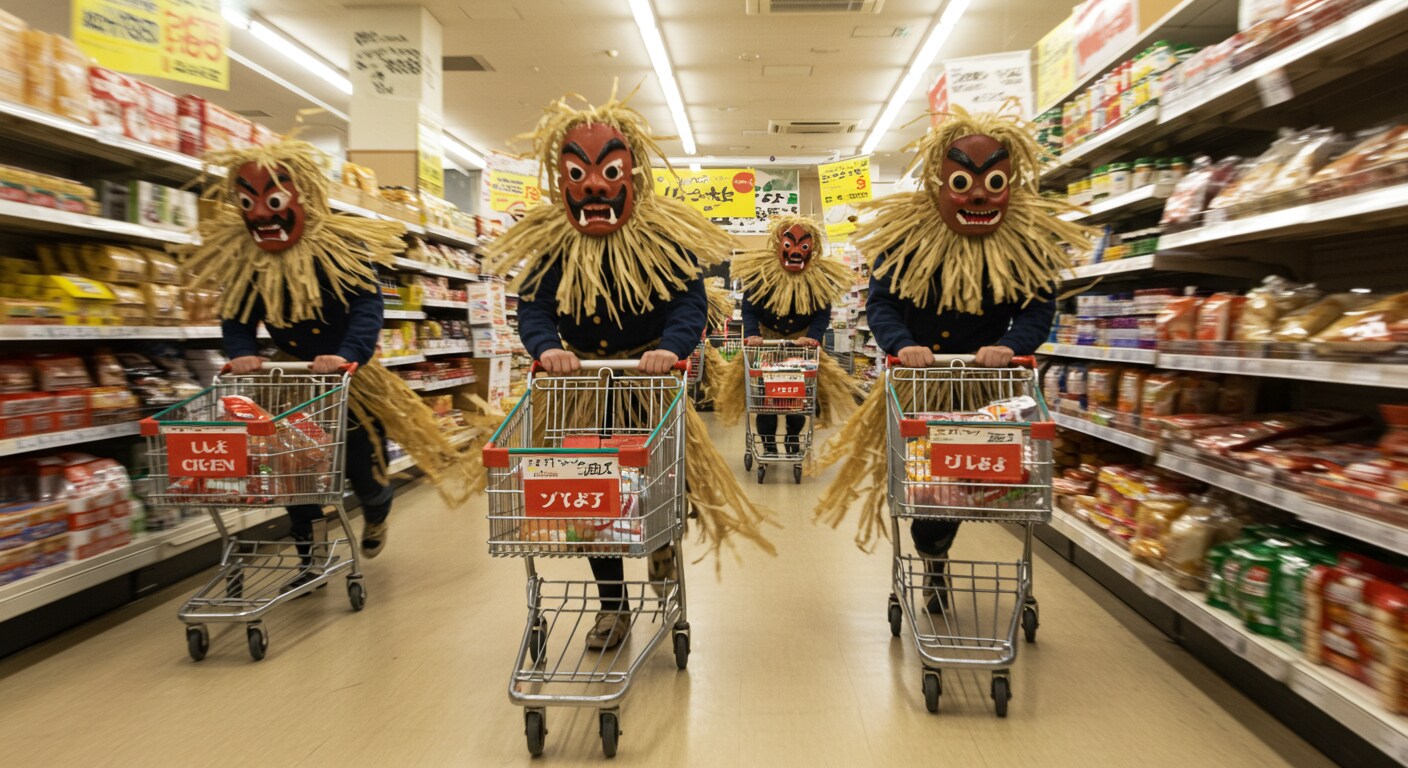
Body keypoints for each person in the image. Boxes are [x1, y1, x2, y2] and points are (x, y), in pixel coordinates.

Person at [485, 86, 774, 650]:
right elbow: (535, 308)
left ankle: (661, 542)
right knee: (592, 491)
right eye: (578, 174)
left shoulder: (663, 241)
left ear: (634, 175)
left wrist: (672, 348)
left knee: (657, 481)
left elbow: (688, 302)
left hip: (648, 381)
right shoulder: (553, 247)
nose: (594, 186)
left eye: (610, 171)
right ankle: (612, 606)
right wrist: (546, 348)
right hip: (580, 388)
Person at [814, 105, 1093, 611]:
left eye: (994, 182)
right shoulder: (905, 239)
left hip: (986, 384)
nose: (979, 195)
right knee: (929, 483)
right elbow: (882, 303)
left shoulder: (1022, 244)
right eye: (963, 181)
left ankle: (940, 546)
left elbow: (1038, 307)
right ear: (938, 183)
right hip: (921, 383)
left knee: (974, 475)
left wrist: (1012, 346)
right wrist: (902, 344)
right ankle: (934, 554)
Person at [178, 138, 481, 589]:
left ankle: (376, 506)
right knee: (293, 469)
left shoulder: (342, 247)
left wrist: (347, 354)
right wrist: (241, 351)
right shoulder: (251, 260)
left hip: (348, 375)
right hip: (291, 377)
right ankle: (310, 555)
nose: (260, 214)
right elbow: (237, 313)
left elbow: (367, 306)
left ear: (304, 196)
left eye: (273, 201)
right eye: (247, 203)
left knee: (359, 458)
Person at [714, 214, 859, 453]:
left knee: (797, 399)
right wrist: (753, 334)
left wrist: (813, 337)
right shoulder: (761, 273)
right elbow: (749, 309)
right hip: (767, 344)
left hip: (802, 347)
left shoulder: (819, 278)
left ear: (813, 248)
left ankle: (793, 439)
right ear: (778, 243)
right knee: (766, 401)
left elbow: (822, 313)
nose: (796, 252)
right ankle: (768, 444)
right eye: (790, 244)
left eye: (804, 246)